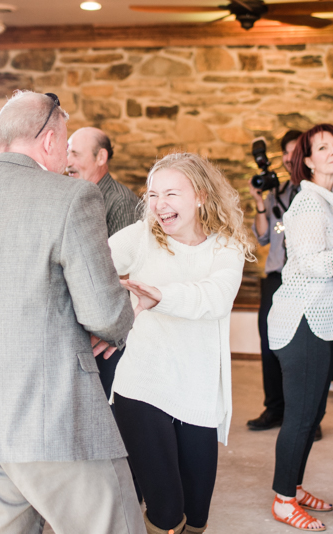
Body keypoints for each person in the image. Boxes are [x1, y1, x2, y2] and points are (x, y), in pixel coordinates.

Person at [0, 90, 144, 534]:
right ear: (50, 141)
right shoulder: (73, 198)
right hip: (53, 411)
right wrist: (123, 314)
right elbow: (104, 313)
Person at [109, 153, 253, 534]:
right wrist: (104, 321)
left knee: (197, 514)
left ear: (201, 196)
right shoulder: (141, 236)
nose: (159, 205)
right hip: (142, 383)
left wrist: (160, 296)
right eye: (153, 194)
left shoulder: (226, 247)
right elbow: (89, 266)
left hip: (198, 391)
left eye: (171, 193)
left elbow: (216, 297)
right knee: (167, 511)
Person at [267, 124, 333, 532]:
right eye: (323, 147)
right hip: (302, 319)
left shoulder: (330, 200)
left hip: (321, 320)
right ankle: (284, 500)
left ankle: (295, 485)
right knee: (301, 415)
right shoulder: (306, 205)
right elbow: (308, 263)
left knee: (314, 411)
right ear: (307, 160)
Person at [248, 130, 333, 441]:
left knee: (312, 352)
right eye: (285, 154)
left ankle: (307, 416)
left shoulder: (318, 194)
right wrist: (260, 203)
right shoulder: (276, 192)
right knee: (271, 345)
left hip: (312, 279)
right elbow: (262, 237)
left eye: (293, 152)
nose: (288, 159)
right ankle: (275, 407)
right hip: (277, 275)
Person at [66, 126, 141, 398]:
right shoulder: (76, 196)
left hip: (106, 332)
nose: (68, 162)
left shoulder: (120, 202)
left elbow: (124, 276)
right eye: (66, 153)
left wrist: (106, 331)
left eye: (75, 154)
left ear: (101, 157)